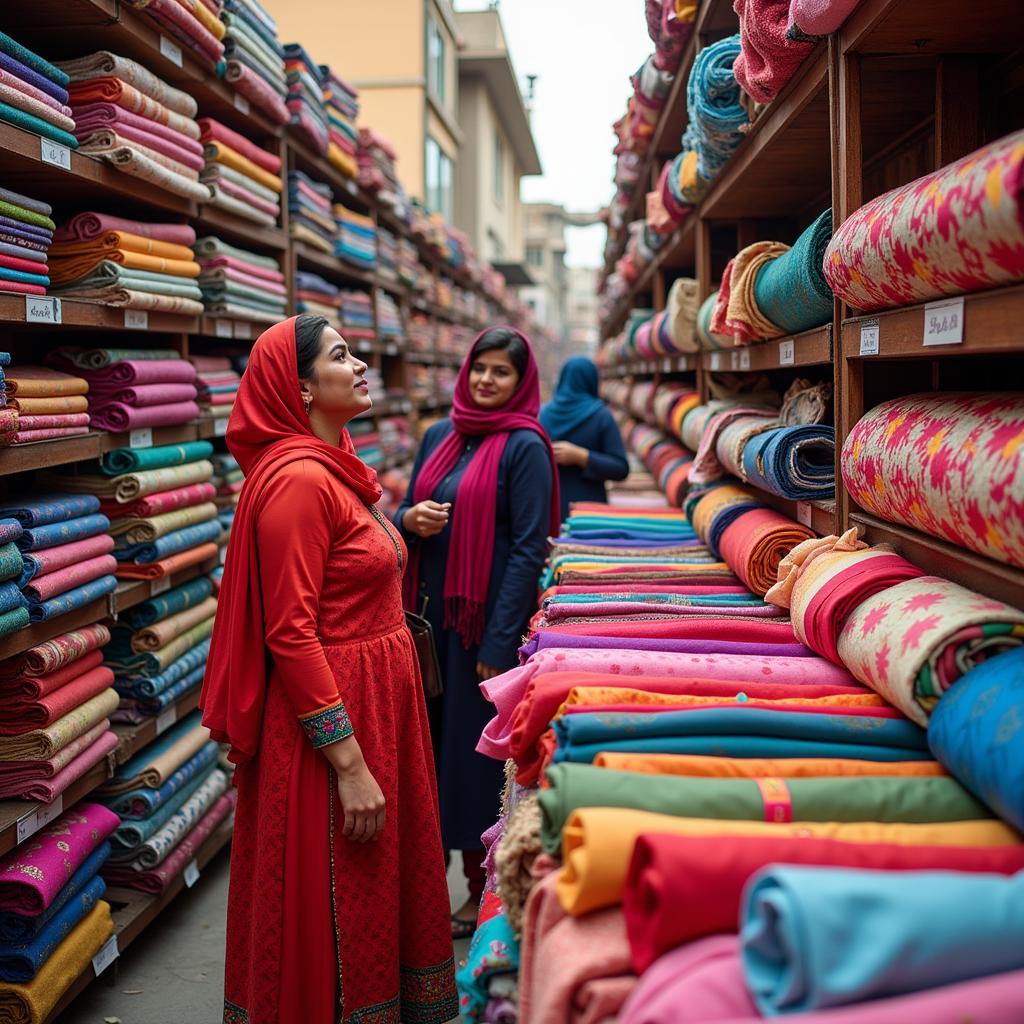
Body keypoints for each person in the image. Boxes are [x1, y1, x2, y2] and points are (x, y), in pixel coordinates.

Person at [201, 315, 457, 1024]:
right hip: (332, 725)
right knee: (333, 890)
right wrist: (348, 764)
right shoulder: (299, 485)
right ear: (301, 385)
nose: (363, 365)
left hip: (377, 705)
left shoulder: (336, 470)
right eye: (342, 356)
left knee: (375, 879)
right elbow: (290, 632)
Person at [396, 326, 560, 938]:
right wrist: (407, 520)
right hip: (427, 621)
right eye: (482, 369)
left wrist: (497, 642)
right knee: (424, 750)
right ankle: (422, 880)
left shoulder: (525, 445)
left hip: (482, 627)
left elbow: (527, 549)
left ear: (522, 381)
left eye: (502, 372)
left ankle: (476, 885)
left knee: (472, 758)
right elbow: (408, 510)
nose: (488, 380)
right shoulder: (440, 435)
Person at [539, 354, 629, 522]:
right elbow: (621, 468)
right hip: (589, 513)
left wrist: (580, 456)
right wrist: (585, 457)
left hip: (548, 507)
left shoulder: (543, 415)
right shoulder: (601, 415)